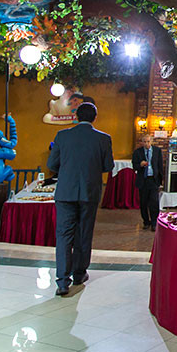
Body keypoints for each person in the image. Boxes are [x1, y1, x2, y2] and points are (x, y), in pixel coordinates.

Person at [48, 102, 113, 296]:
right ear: (95, 117)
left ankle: (62, 281)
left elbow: (52, 163)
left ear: (76, 116)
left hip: (65, 192)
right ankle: (79, 273)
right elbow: (108, 166)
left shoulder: (62, 136)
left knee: (64, 235)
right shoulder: (103, 139)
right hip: (89, 192)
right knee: (84, 233)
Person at [132, 134, 164, 230]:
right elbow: (134, 166)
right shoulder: (138, 152)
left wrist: (160, 180)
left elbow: (160, 165)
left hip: (153, 180)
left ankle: (154, 222)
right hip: (143, 180)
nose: (146, 143)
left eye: (148, 141)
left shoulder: (157, 151)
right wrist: (140, 165)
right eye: (144, 141)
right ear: (142, 142)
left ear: (151, 141)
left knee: (154, 202)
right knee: (143, 202)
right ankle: (146, 221)